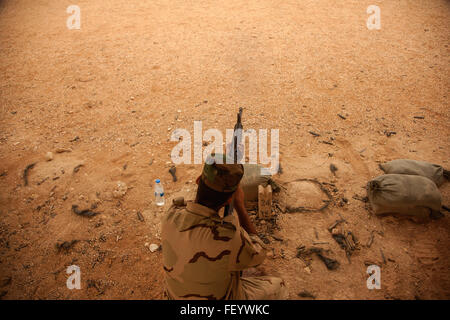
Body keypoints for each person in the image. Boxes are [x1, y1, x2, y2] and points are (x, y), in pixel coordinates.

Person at [161, 153, 288, 300]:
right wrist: (240, 207)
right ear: (229, 199)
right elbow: (258, 254)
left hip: (173, 297)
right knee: (279, 286)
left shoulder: (171, 214)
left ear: (197, 181)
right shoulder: (227, 237)